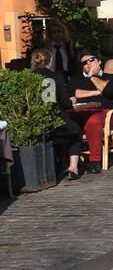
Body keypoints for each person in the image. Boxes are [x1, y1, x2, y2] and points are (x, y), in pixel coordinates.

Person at [29, 47, 86, 181]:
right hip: (55, 118)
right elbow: (65, 103)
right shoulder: (56, 76)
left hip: (35, 120)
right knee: (76, 131)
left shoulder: (28, 77)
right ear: (51, 60)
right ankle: (73, 167)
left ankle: (61, 164)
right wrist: (70, 100)